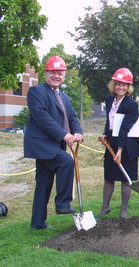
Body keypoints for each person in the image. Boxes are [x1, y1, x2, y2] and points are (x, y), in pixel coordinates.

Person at [24, 56, 84, 229]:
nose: (57, 76)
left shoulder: (64, 97)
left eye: (60, 73)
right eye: (53, 72)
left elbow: (71, 117)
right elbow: (43, 118)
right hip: (41, 144)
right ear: (46, 73)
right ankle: (62, 204)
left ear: (64, 75)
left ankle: (37, 223)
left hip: (53, 145)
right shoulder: (36, 92)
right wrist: (65, 135)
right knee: (66, 162)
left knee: (43, 184)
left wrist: (78, 131)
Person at [99, 68, 139, 219]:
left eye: (124, 85)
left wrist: (120, 148)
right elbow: (111, 121)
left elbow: (125, 127)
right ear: (114, 85)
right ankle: (105, 207)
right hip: (112, 141)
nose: (121, 87)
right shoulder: (109, 100)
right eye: (118, 84)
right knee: (109, 176)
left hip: (128, 143)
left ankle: (123, 210)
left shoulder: (131, 105)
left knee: (126, 178)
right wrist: (105, 134)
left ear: (129, 87)